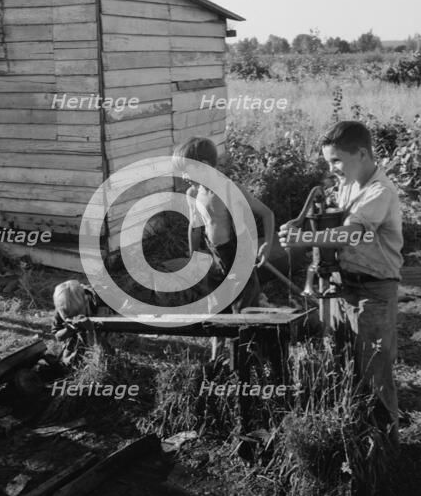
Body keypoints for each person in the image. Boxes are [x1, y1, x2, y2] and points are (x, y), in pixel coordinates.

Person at [279, 120, 403, 447]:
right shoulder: (348, 185)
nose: (332, 169)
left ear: (361, 153)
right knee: (346, 361)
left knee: (375, 372)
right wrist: (301, 221)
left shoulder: (379, 192)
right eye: (328, 162)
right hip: (345, 286)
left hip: (375, 290)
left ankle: (387, 449)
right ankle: (360, 439)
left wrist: (304, 237)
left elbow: (353, 233)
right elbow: (330, 217)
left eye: (336, 161)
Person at [172, 137, 275, 360]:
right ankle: (216, 359)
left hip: (239, 259)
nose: (183, 177)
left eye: (187, 171)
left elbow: (266, 213)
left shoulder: (230, 190)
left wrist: (266, 244)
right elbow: (195, 226)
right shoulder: (193, 194)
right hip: (216, 259)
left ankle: (246, 361)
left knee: (244, 316)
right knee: (215, 311)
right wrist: (193, 260)